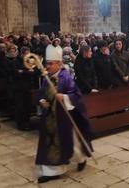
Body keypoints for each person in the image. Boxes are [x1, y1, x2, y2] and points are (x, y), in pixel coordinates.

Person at [35, 44, 94, 183]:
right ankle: (51, 172)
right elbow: (41, 94)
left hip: (64, 118)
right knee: (50, 144)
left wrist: (65, 97)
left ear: (59, 64)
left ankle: (81, 159)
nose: (47, 66)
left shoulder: (66, 78)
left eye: (50, 63)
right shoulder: (46, 78)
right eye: (46, 63)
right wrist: (42, 100)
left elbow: (76, 95)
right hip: (50, 118)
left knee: (72, 144)